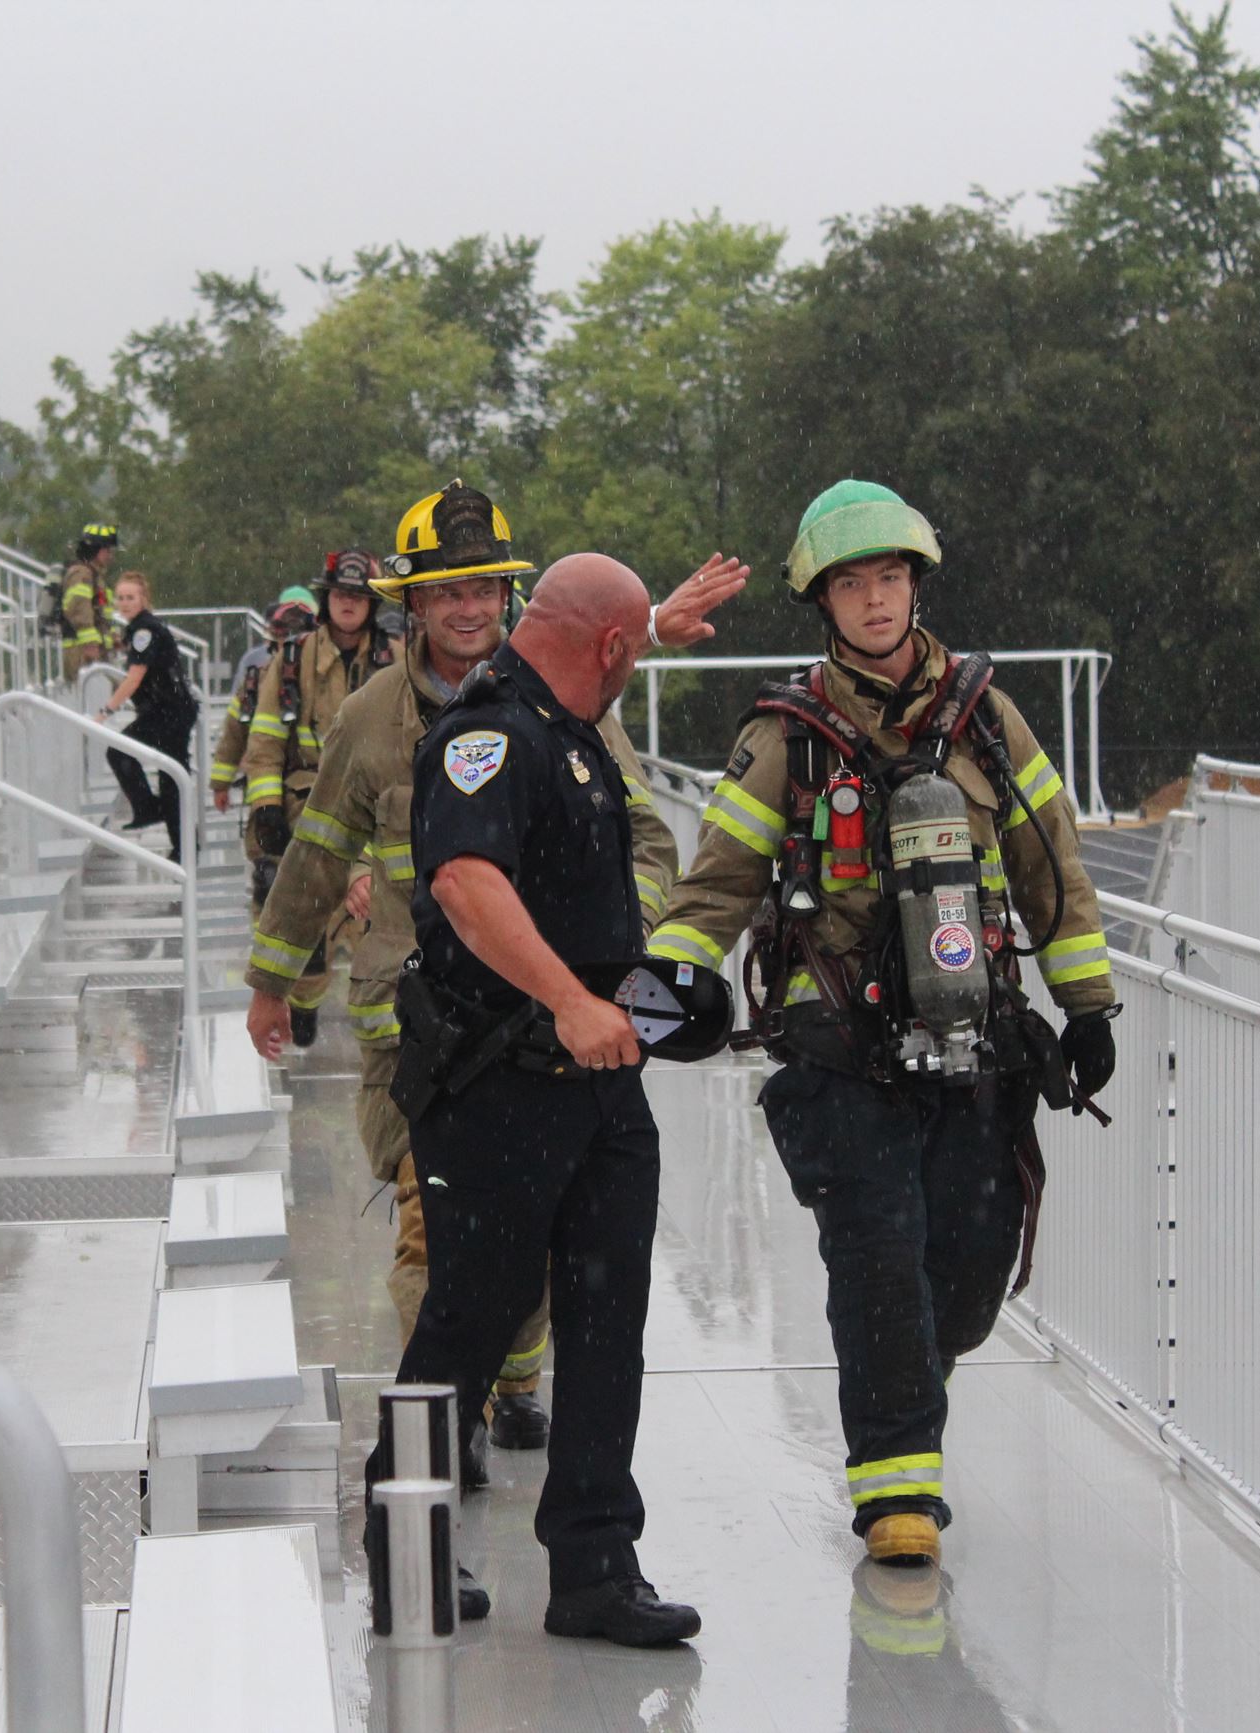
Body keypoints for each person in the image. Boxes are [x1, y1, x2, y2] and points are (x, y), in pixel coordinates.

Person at [647, 479, 1119, 1574]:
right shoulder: (786, 735)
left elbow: (1051, 864)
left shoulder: (986, 718)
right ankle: (897, 1488)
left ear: (914, 584)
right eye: (852, 583)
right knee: (875, 1258)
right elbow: (717, 880)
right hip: (836, 1047)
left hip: (977, 1040)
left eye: (890, 577)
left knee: (957, 1276)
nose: (874, 600)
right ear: (823, 601)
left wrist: (1084, 1000)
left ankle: (914, 1376)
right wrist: (671, 976)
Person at [243, 481, 740, 1478]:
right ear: (411, 607)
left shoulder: (577, 709)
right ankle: (441, 1437)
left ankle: (506, 1379)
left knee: (530, 1250)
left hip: (553, 1031)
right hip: (410, 1025)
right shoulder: (371, 716)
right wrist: (271, 977)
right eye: (444, 592)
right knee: (437, 1234)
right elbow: (317, 845)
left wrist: (620, 939)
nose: (465, 608)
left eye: (482, 588)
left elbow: (643, 834)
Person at [370, 551, 716, 1648]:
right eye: (630, 648)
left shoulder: (572, 731)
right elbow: (466, 884)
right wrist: (569, 1000)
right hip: (498, 1087)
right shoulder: (487, 737)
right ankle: (401, 1548)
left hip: (602, 1088)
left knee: (607, 1321)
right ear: (608, 650)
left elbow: (586, 893)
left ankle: (595, 1566)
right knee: (468, 1316)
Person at [237, 549, 399, 1048]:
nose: (348, 604)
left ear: (371, 603)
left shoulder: (397, 659)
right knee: (299, 920)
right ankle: (300, 1004)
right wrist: (265, 806)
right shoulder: (291, 659)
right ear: (326, 599)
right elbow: (264, 740)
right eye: (340, 595)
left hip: (376, 806)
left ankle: (387, 1033)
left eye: (358, 596)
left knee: (381, 921)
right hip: (304, 806)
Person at [92, 570, 198, 864]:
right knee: (171, 778)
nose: (124, 603)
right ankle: (184, 848)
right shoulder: (141, 628)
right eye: (121, 598)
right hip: (169, 710)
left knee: (120, 752)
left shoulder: (144, 631)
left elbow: (134, 679)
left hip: (169, 712)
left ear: (144, 599)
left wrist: (105, 711)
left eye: (131, 597)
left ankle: (151, 811)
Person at [211, 584, 315, 816]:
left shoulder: (323, 677)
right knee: (266, 847)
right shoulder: (254, 680)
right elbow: (233, 734)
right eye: (282, 642)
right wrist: (221, 784)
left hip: (312, 787)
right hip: (266, 786)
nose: (288, 652)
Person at [43, 524, 120, 681]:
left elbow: (102, 613)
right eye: (107, 550)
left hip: (94, 650)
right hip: (82, 651)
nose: (110, 556)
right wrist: (90, 644)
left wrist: (113, 638)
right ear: (95, 549)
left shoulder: (94, 575)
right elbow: (78, 610)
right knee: (90, 697)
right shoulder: (81, 574)